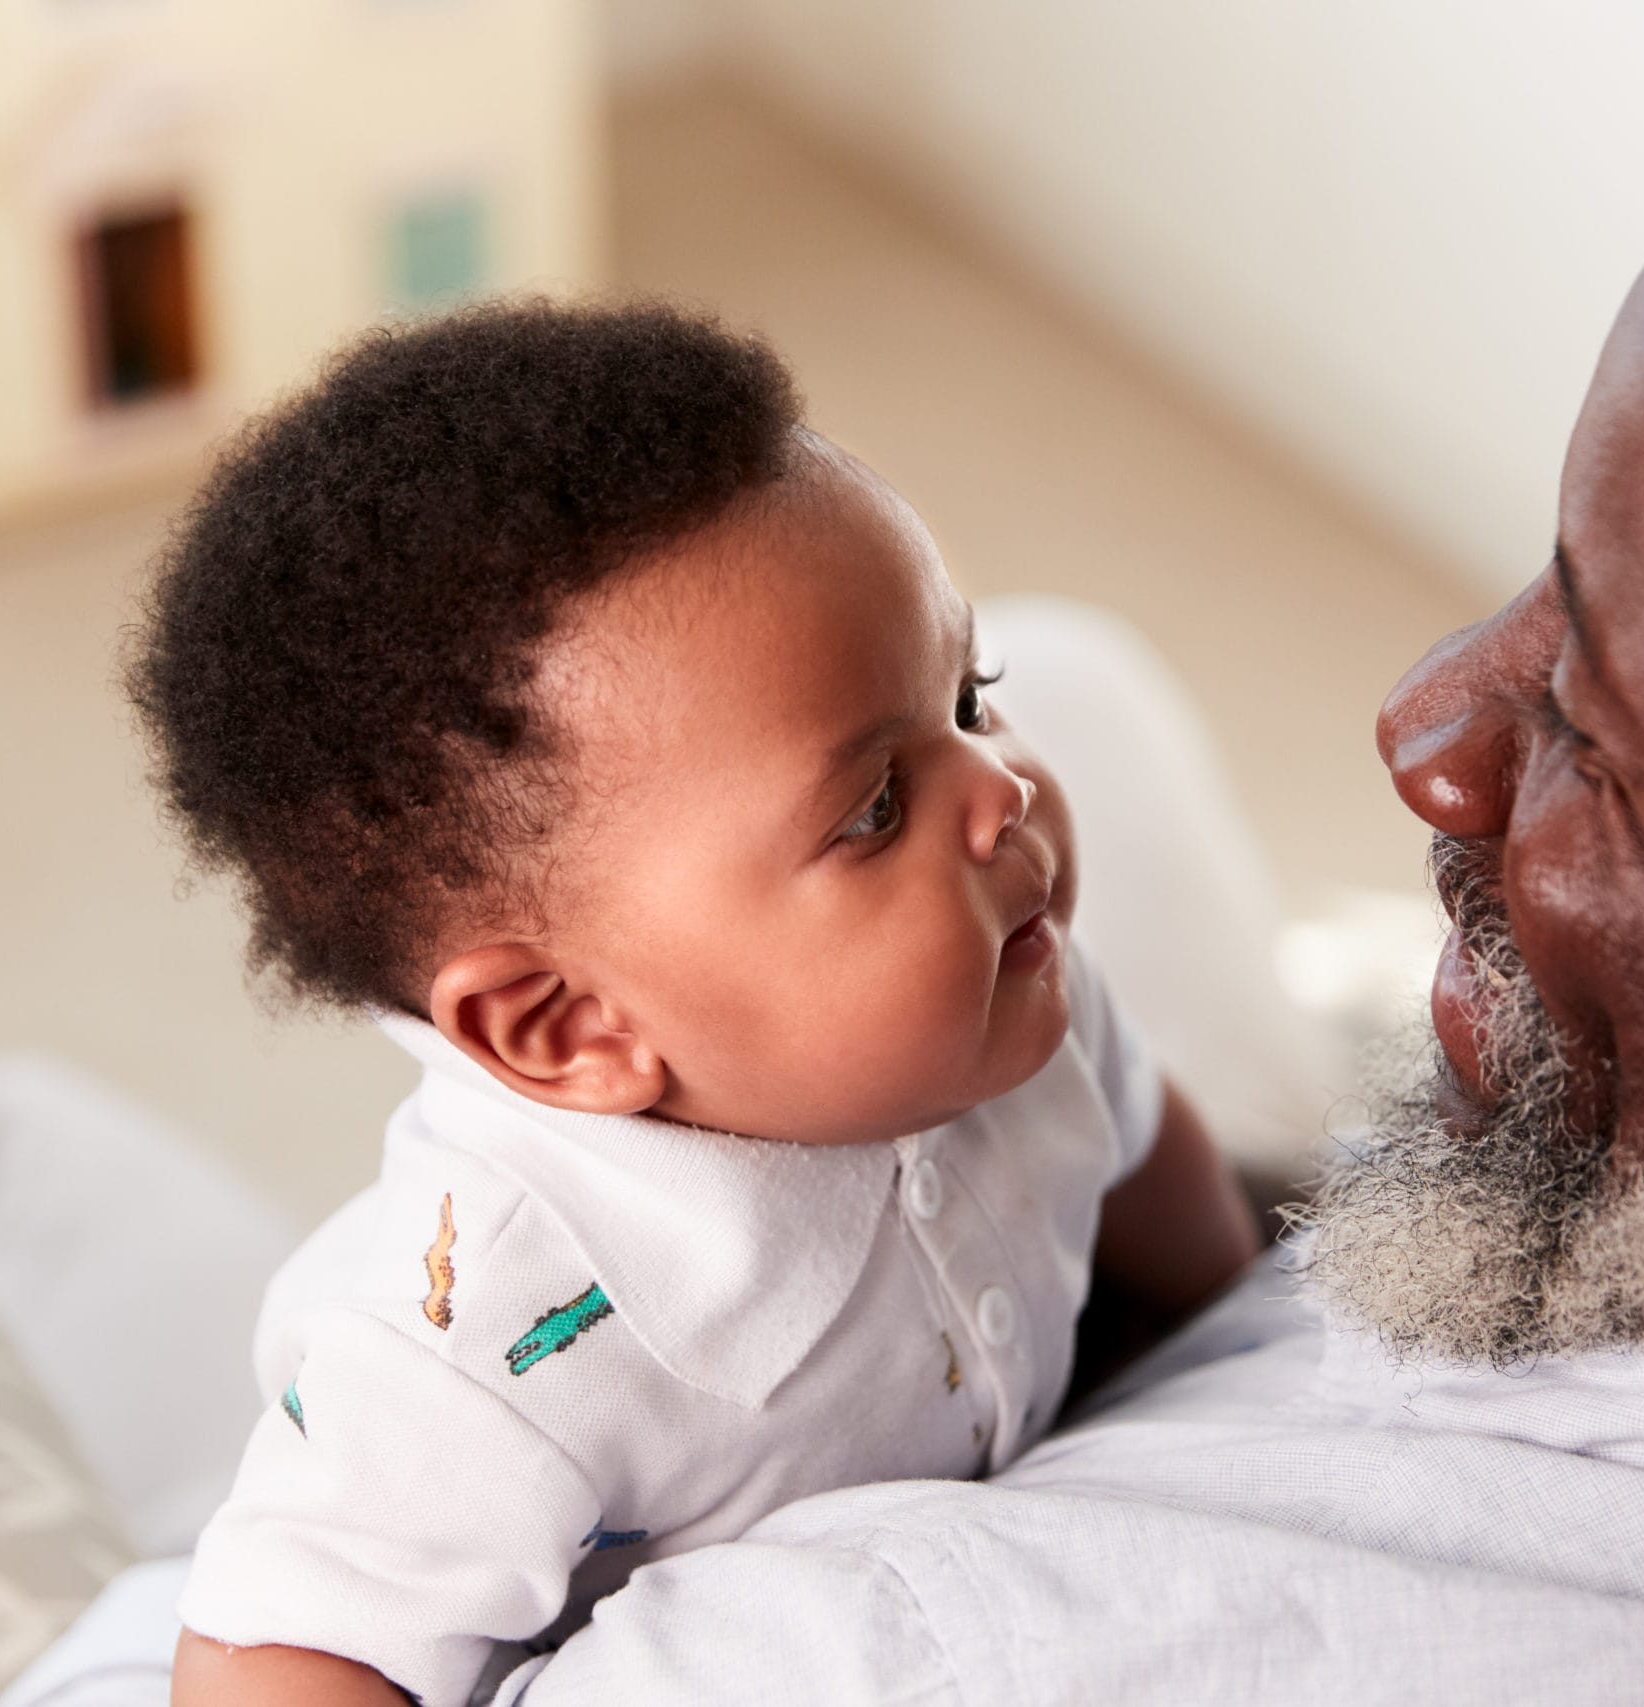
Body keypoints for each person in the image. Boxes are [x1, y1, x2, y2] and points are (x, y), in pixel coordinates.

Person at [8, 24, 1644, 1706]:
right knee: (1081, 677)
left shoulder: (894, 1652)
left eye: (1596, 734)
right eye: (1531, 571)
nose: (1426, 729)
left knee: (8, 1147)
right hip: (500, 1442)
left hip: (266, 1589)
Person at [127, 307, 1261, 1707]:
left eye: (971, 696)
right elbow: (272, 1653)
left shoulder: (1011, 984)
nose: (1004, 791)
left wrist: (1250, 1352)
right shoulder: (472, 1359)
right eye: (877, 809)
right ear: (568, 1029)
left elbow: (1151, 1162)